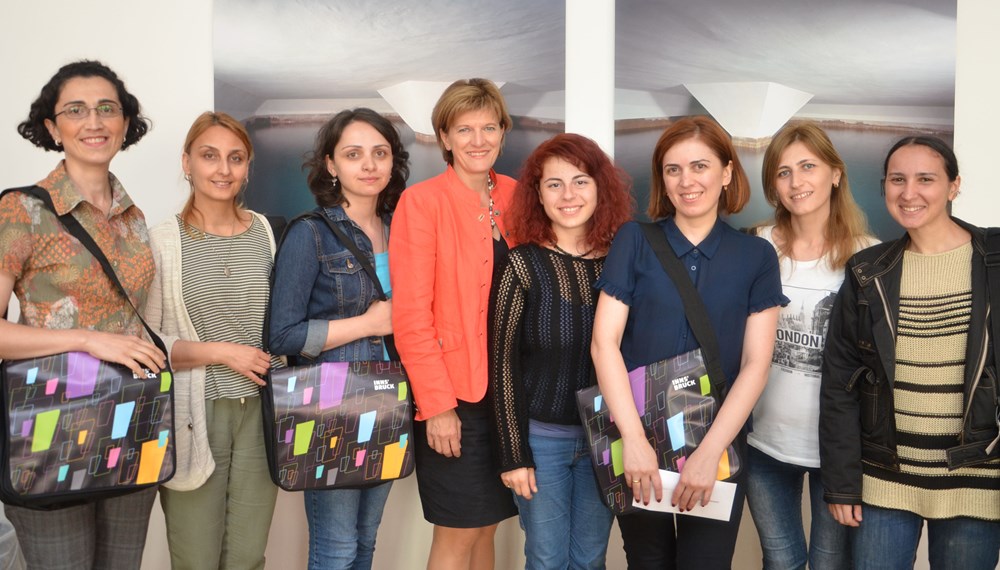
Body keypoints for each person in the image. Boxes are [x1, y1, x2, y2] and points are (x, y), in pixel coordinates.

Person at [591, 116, 787, 569]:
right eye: (673, 169)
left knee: (707, 563)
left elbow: (757, 364)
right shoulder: (635, 240)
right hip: (635, 434)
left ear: (727, 172)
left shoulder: (756, 255)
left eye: (700, 166)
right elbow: (605, 343)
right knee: (647, 560)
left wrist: (710, 452)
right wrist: (635, 442)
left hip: (718, 440)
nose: (686, 181)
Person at [0, 60, 165, 568]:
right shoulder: (20, 210)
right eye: (76, 110)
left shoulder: (134, 216)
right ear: (52, 127)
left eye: (106, 109)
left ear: (124, 123)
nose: (93, 122)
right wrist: (87, 339)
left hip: (131, 419)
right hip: (49, 426)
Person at [821, 136, 1000, 569]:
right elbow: (840, 382)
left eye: (926, 179)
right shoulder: (867, 272)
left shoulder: (994, 260)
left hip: (975, 482)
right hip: (886, 480)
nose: (909, 192)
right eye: (897, 179)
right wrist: (843, 485)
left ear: (954, 186)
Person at [269, 108, 409, 570]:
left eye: (379, 153)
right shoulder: (310, 233)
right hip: (333, 406)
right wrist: (368, 325)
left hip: (390, 403)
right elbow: (282, 335)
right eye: (353, 154)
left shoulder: (403, 230)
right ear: (331, 164)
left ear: (392, 162)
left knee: (366, 541)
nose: (368, 165)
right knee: (337, 550)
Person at [389, 78, 519, 570]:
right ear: (444, 137)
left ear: (503, 133)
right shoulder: (421, 203)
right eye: (464, 129)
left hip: (509, 396)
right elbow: (411, 317)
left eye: (489, 127)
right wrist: (438, 406)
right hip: (454, 397)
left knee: (487, 526)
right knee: (457, 532)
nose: (478, 140)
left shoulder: (518, 195)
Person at [488, 133, 633, 569]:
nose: (568, 195)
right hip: (541, 440)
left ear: (600, 188)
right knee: (547, 558)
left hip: (607, 437)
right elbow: (502, 365)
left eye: (580, 181)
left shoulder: (622, 262)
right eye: (554, 184)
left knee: (590, 559)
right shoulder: (522, 264)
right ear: (538, 195)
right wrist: (515, 455)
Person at [144, 111, 281, 569]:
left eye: (235, 158)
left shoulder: (264, 230)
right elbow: (147, 345)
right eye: (209, 156)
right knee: (197, 559)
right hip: (193, 412)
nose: (223, 169)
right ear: (187, 162)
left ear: (247, 167)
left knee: (246, 557)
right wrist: (223, 352)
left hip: (260, 412)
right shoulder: (164, 239)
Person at [745, 122, 875, 569]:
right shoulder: (756, 248)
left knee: (828, 564)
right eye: (783, 172)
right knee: (780, 561)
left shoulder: (867, 257)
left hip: (836, 451)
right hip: (763, 442)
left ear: (835, 173)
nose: (796, 182)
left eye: (807, 166)